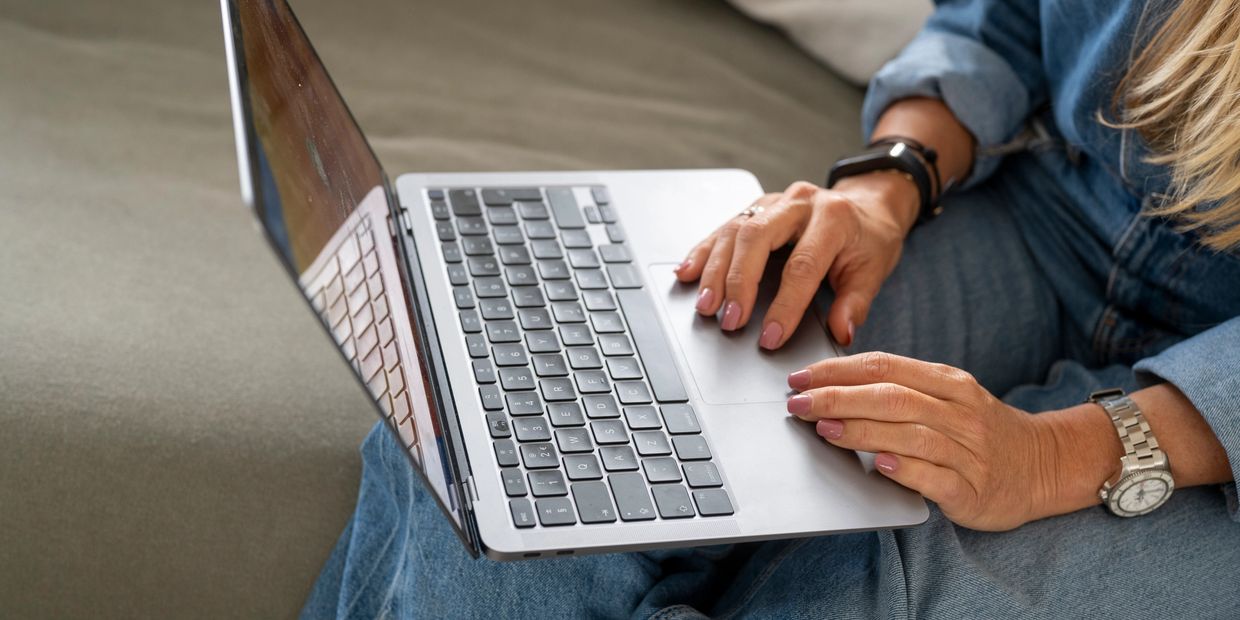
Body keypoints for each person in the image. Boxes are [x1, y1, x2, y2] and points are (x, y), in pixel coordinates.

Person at [302, 0, 1240, 617]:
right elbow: (994, 24)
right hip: (1052, 222)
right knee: (490, 436)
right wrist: (890, 181)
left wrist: (1055, 456)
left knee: (859, 591)